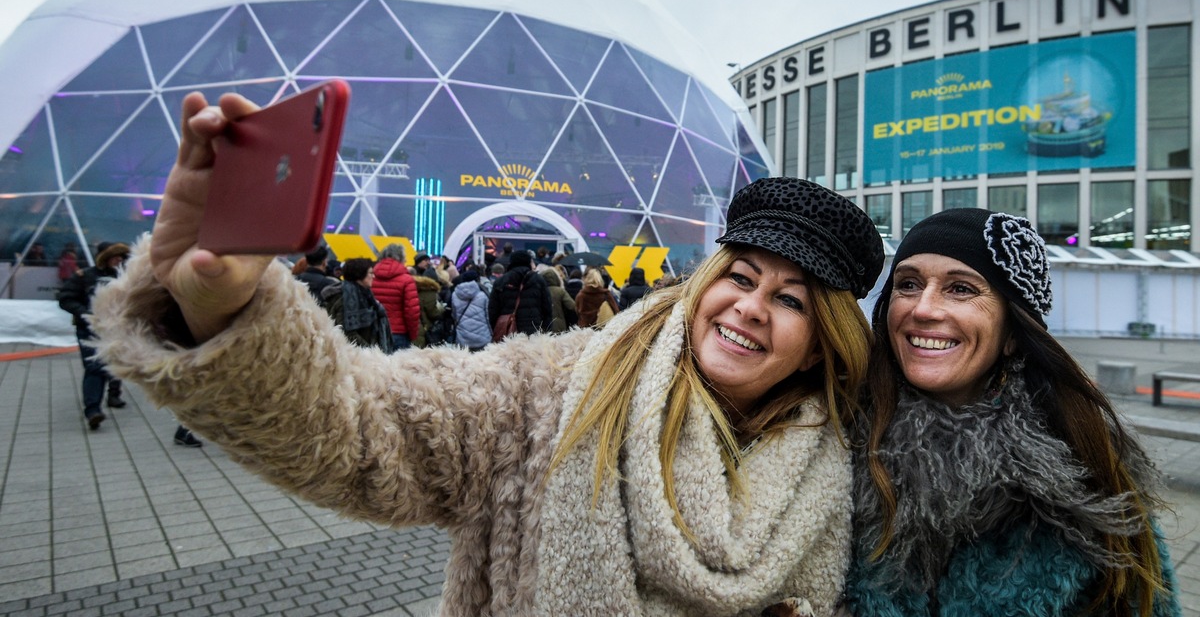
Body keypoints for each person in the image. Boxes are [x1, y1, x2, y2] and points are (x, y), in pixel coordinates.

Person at [91, 91, 885, 616]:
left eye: (790, 299)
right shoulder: (550, 390)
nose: (749, 305)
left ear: (824, 340)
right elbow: (362, 429)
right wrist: (221, 304)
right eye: (740, 276)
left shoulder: (851, 461)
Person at [841, 208, 1182, 617]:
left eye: (961, 289)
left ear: (1012, 334)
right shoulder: (844, 437)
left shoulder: (1083, 469)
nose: (924, 308)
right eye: (908, 284)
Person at [58, 241, 130, 430]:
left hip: (116, 328)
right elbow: (65, 298)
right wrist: (85, 313)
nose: (119, 260)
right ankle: (93, 411)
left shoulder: (127, 277)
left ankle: (114, 394)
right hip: (89, 329)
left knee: (115, 363)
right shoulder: (85, 276)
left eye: (122, 257)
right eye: (115, 257)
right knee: (94, 367)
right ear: (105, 258)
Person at [321, 258, 393, 353]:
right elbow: (346, 333)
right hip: (357, 357)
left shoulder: (365, 295)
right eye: (370, 273)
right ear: (359, 275)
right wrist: (372, 353)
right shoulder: (347, 298)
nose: (373, 276)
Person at [488, 249, 552, 336]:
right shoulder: (538, 280)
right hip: (534, 332)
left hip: (508, 331)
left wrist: (498, 328)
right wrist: (545, 330)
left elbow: (493, 310)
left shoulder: (501, 282)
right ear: (529, 262)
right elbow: (547, 309)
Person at [371, 244, 421, 351]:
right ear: (401, 258)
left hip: (375, 331)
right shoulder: (407, 280)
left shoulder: (371, 278)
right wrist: (412, 335)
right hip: (399, 333)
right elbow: (412, 312)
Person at [450, 269, 491, 351]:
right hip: (482, 337)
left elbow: (454, 315)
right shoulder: (483, 295)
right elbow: (488, 316)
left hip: (462, 338)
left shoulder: (455, 295)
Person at [540, 267, 578, 333]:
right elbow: (572, 306)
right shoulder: (560, 291)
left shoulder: (540, 292)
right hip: (559, 325)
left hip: (544, 325)